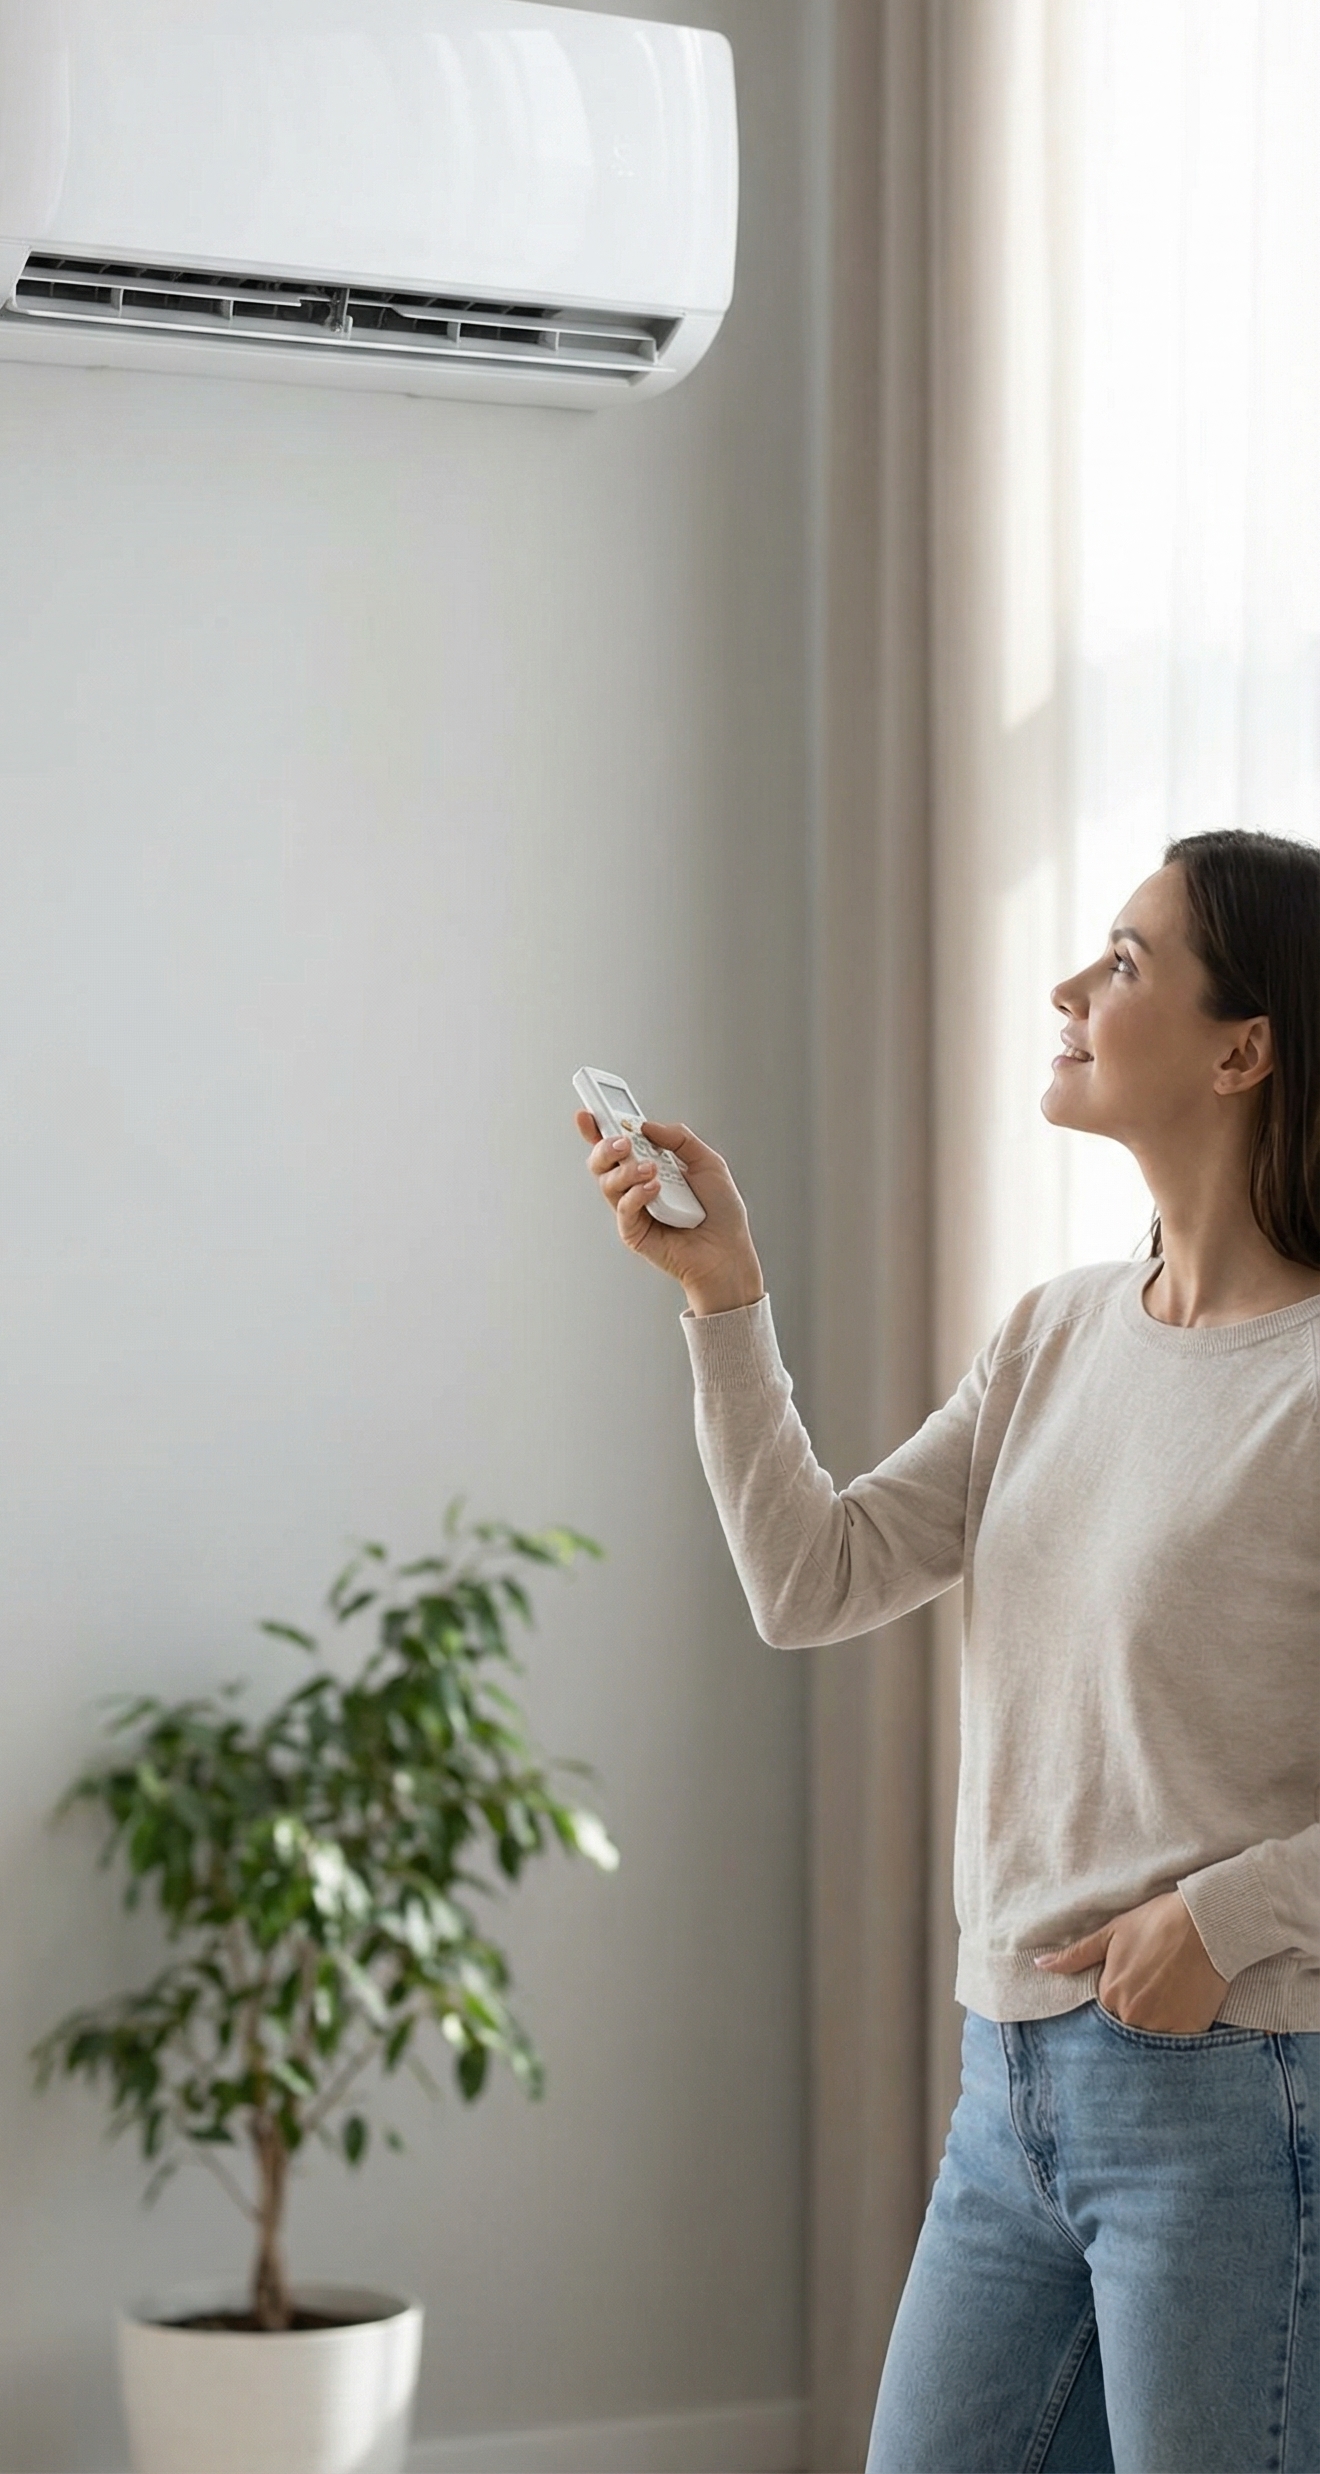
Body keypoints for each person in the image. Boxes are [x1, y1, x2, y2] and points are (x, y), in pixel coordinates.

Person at [576, 827, 1320, 2474]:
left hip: (1235, 2092)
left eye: (1125, 962)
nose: (1067, 987)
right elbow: (812, 1576)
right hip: (1007, 2099)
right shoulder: (1053, 1332)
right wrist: (725, 1296)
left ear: (1244, 1047)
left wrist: (1225, 1915)